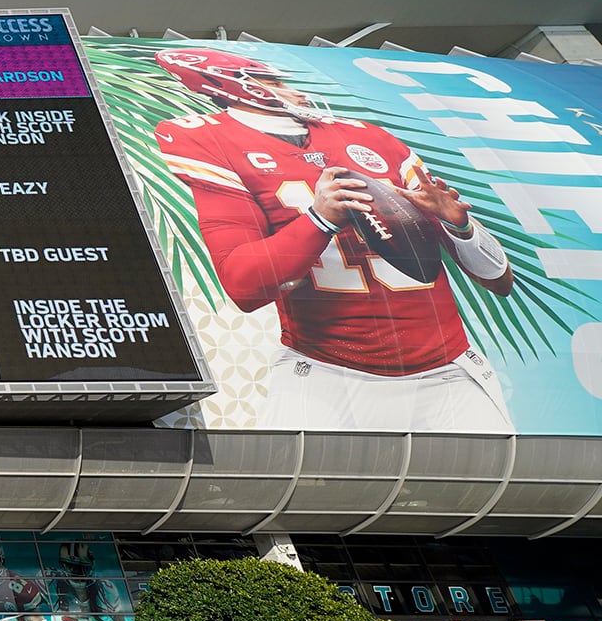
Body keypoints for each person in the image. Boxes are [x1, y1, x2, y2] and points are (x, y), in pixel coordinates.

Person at [153, 47, 516, 432]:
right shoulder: (210, 139)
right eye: (273, 81)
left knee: (501, 491)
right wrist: (319, 218)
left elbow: (500, 281)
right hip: (325, 372)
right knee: (301, 491)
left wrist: (461, 226)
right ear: (230, 86)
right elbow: (245, 287)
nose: (297, 93)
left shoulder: (369, 137)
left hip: (448, 370)